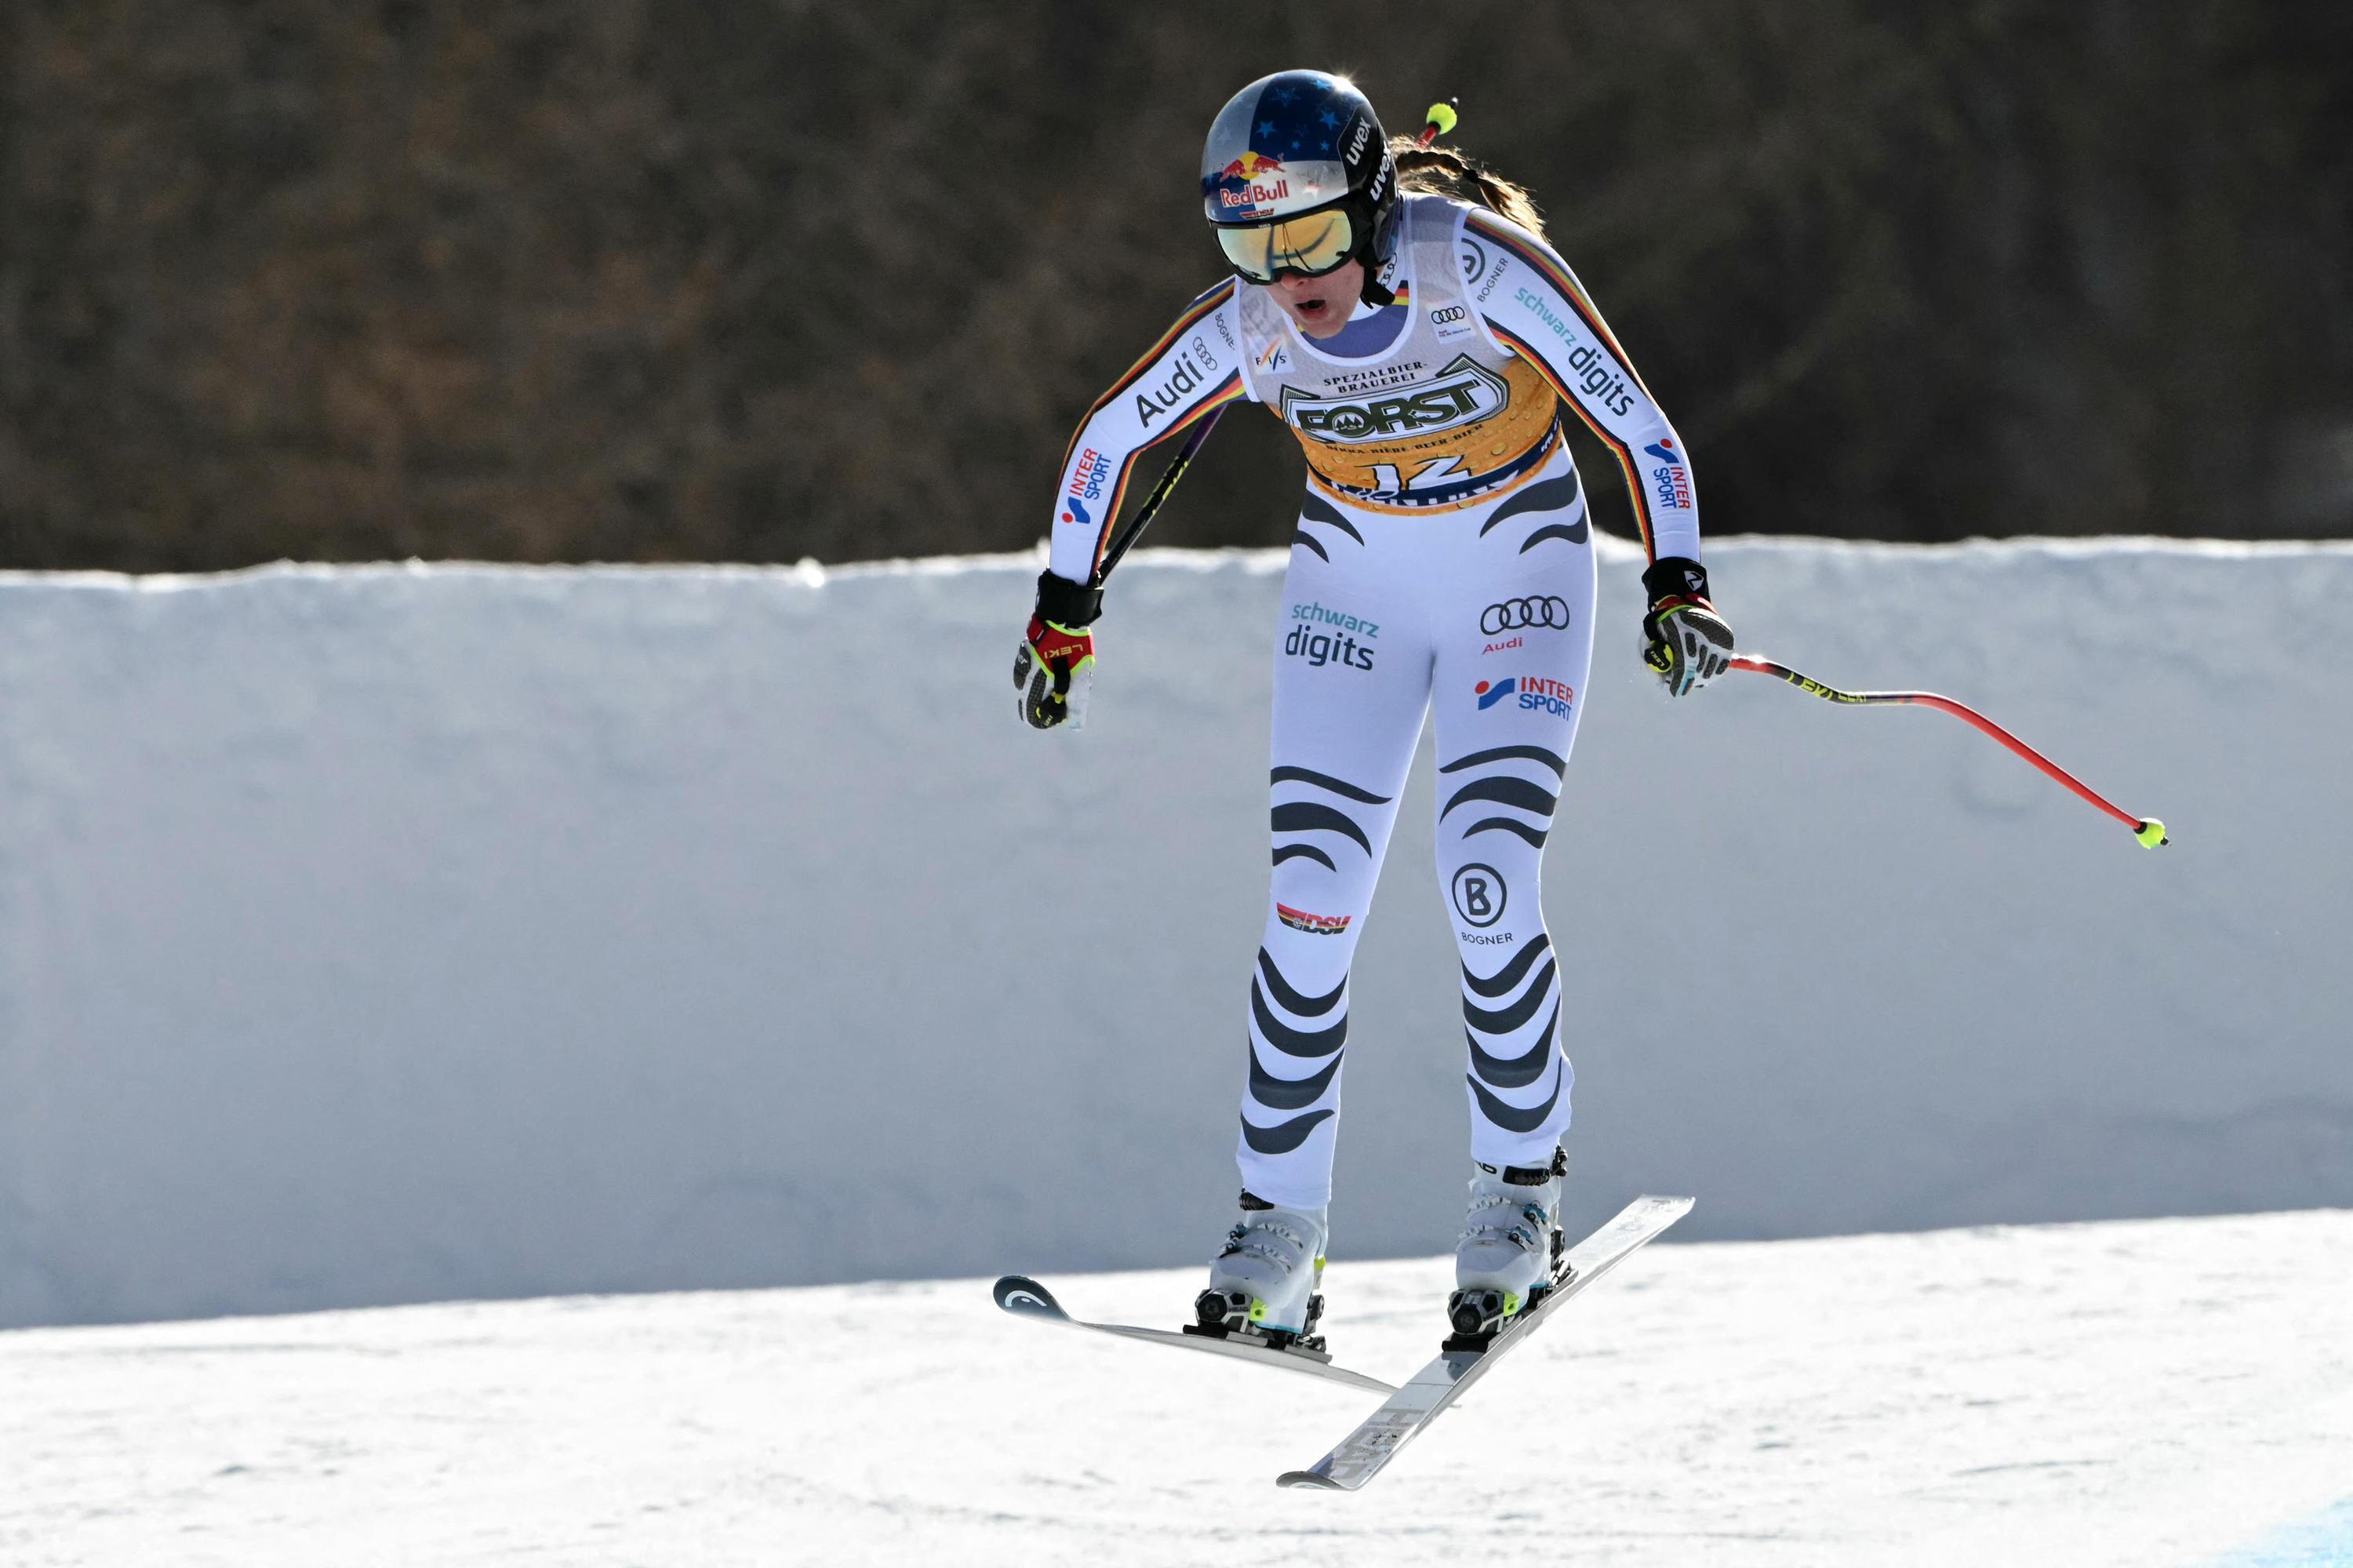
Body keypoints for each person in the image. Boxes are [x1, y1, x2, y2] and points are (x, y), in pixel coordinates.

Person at [1013, 71, 1733, 1348]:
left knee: (1486, 873)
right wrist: (1063, 610)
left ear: (1371, 206)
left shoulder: (1477, 268)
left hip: (1518, 573)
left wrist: (1676, 582)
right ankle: (1277, 1230)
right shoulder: (1250, 325)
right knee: (1310, 897)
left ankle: (1520, 1195)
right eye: (1250, 245)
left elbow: (1642, 428)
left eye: (1306, 236)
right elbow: (1109, 439)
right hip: (1356, 587)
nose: (1286, 278)